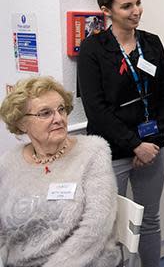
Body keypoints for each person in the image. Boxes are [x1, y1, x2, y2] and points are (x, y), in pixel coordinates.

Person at [78, 0, 164, 267]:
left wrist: (153, 142)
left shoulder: (152, 43)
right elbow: (96, 108)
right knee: (113, 226)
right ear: (107, 11)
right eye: (127, 6)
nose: (136, 12)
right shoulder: (94, 49)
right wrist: (134, 145)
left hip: (152, 146)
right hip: (113, 150)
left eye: (139, 3)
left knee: (149, 219)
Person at [0, 76, 119, 267]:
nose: (58, 119)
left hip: (83, 261)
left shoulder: (93, 152)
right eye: (45, 113)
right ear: (22, 123)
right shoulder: (8, 162)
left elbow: (95, 229)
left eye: (61, 109)